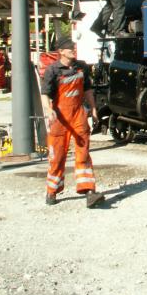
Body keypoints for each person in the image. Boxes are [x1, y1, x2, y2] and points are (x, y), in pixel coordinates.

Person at [41, 36, 105, 208]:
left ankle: (89, 191)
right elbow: (45, 93)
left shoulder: (81, 67)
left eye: (74, 47)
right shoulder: (53, 70)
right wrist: (48, 110)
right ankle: (52, 190)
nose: (73, 50)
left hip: (78, 114)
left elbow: (88, 90)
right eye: (70, 48)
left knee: (83, 153)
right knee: (57, 155)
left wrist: (93, 108)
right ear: (61, 51)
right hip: (60, 117)